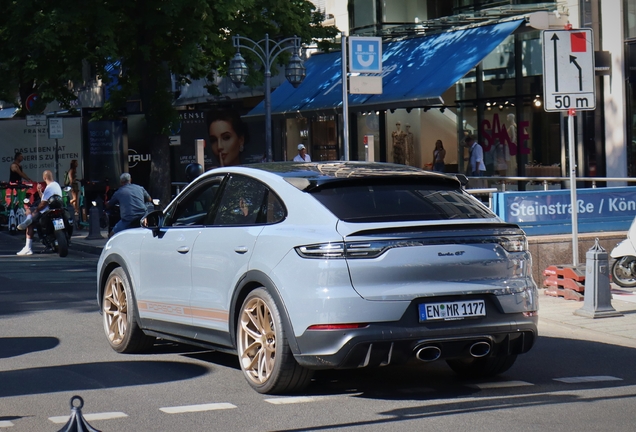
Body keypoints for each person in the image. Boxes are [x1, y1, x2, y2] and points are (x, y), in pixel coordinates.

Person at [16, 170, 62, 255]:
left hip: (46, 212)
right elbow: (44, 199)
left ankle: (27, 247)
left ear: (44, 178)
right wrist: (40, 192)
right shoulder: (56, 185)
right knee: (32, 214)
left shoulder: (49, 188)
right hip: (55, 210)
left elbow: (43, 203)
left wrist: (36, 211)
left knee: (30, 214)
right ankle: (28, 220)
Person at [107, 173, 152, 237]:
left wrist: (106, 203)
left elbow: (110, 204)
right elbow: (149, 199)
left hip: (129, 218)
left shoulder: (119, 192)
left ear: (121, 182)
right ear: (130, 180)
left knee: (112, 235)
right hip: (143, 215)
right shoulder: (140, 188)